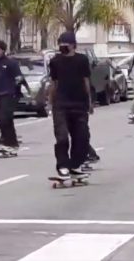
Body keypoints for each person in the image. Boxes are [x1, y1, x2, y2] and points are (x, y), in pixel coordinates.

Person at [48, 32, 92, 179]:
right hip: (60, 104)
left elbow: (86, 81)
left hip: (79, 104)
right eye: (60, 44)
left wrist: (90, 102)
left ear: (73, 45)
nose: (62, 47)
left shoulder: (82, 60)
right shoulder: (55, 61)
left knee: (82, 137)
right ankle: (63, 166)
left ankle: (75, 165)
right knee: (62, 138)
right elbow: (53, 83)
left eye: (65, 44)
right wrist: (50, 102)